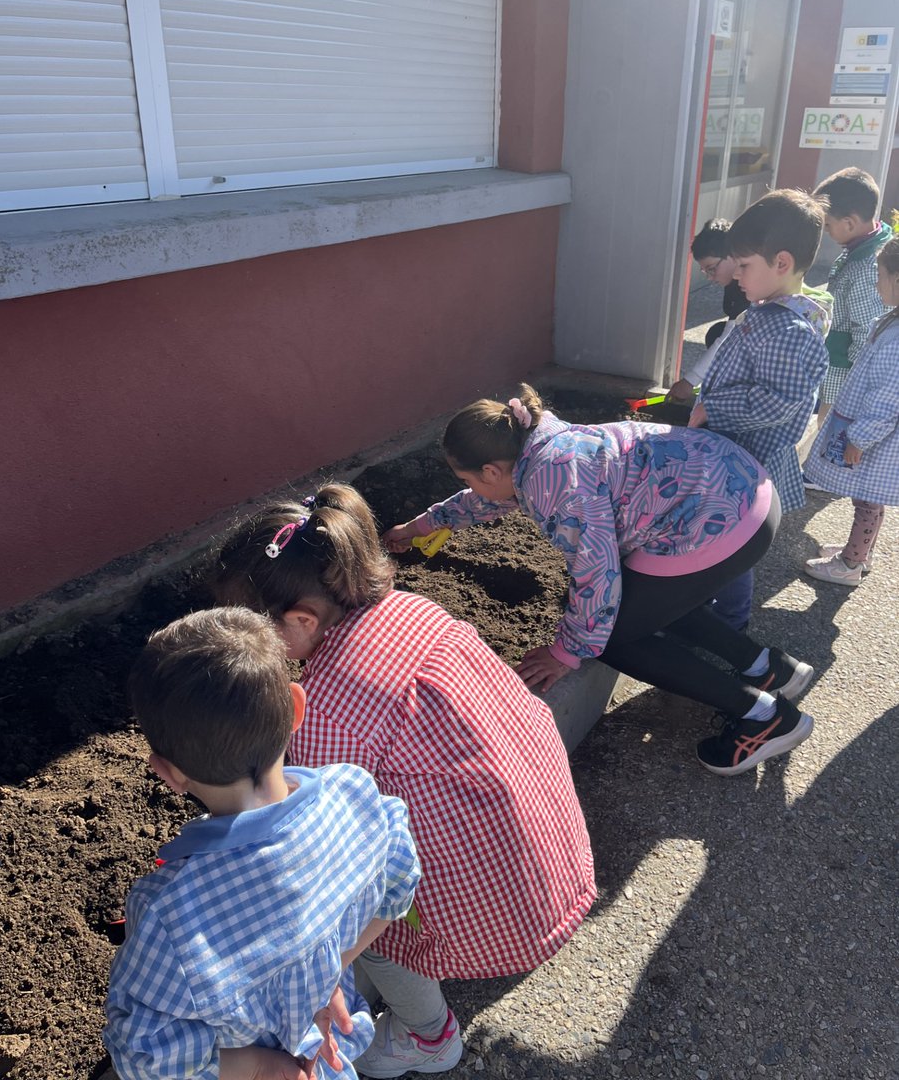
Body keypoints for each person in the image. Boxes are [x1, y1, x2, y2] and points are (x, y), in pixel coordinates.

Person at [214, 485, 596, 1079]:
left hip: (494, 894)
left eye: (252, 631)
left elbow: (311, 846)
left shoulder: (329, 708)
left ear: (301, 619)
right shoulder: (409, 610)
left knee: (377, 922)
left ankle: (430, 1038)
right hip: (549, 839)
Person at [385, 385, 815, 778]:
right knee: (644, 600)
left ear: (492, 470)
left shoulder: (554, 482)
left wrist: (567, 651)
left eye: (467, 480)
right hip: (743, 490)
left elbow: (596, 574)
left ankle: (765, 717)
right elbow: (486, 502)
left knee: (613, 638)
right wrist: (420, 526)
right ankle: (769, 668)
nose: (470, 489)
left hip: (719, 522)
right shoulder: (539, 446)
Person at [104, 607, 421, 1080]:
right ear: (296, 708)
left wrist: (257, 1066)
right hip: (326, 1055)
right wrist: (326, 966)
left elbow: (145, 1054)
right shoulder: (355, 796)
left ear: (168, 773)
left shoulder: (169, 913)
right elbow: (400, 881)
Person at [687, 189, 833, 630]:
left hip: (747, 459)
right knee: (722, 538)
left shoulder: (787, 328)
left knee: (731, 544)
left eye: (745, 266)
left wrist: (714, 407)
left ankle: (729, 623)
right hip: (738, 451)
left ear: (782, 263)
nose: (737, 277)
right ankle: (718, 609)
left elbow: (780, 398)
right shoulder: (771, 311)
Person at [802, 236, 899, 585]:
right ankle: (861, 552)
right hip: (873, 436)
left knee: (866, 501)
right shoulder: (891, 321)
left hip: (874, 439)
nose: (876, 284)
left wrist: (858, 438)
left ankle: (851, 563)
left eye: (880, 276)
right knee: (868, 499)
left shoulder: (897, 339)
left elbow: (887, 401)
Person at [811, 167, 893, 432]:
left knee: (830, 427)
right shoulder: (859, 250)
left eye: (827, 225)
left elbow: (866, 329)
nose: (826, 232)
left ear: (849, 222)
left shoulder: (867, 266)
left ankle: (824, 472)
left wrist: (858, 383)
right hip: (839, 359)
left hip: (845, 369)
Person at [667, 218, 749, 403]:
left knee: (719, 335)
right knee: (716, 332)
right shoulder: (733, 285)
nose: (711, 278)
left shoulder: (746, 289)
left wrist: (690, 380)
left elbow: (728, 339)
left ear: (733, 255)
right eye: (706, 272)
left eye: (712, 269)